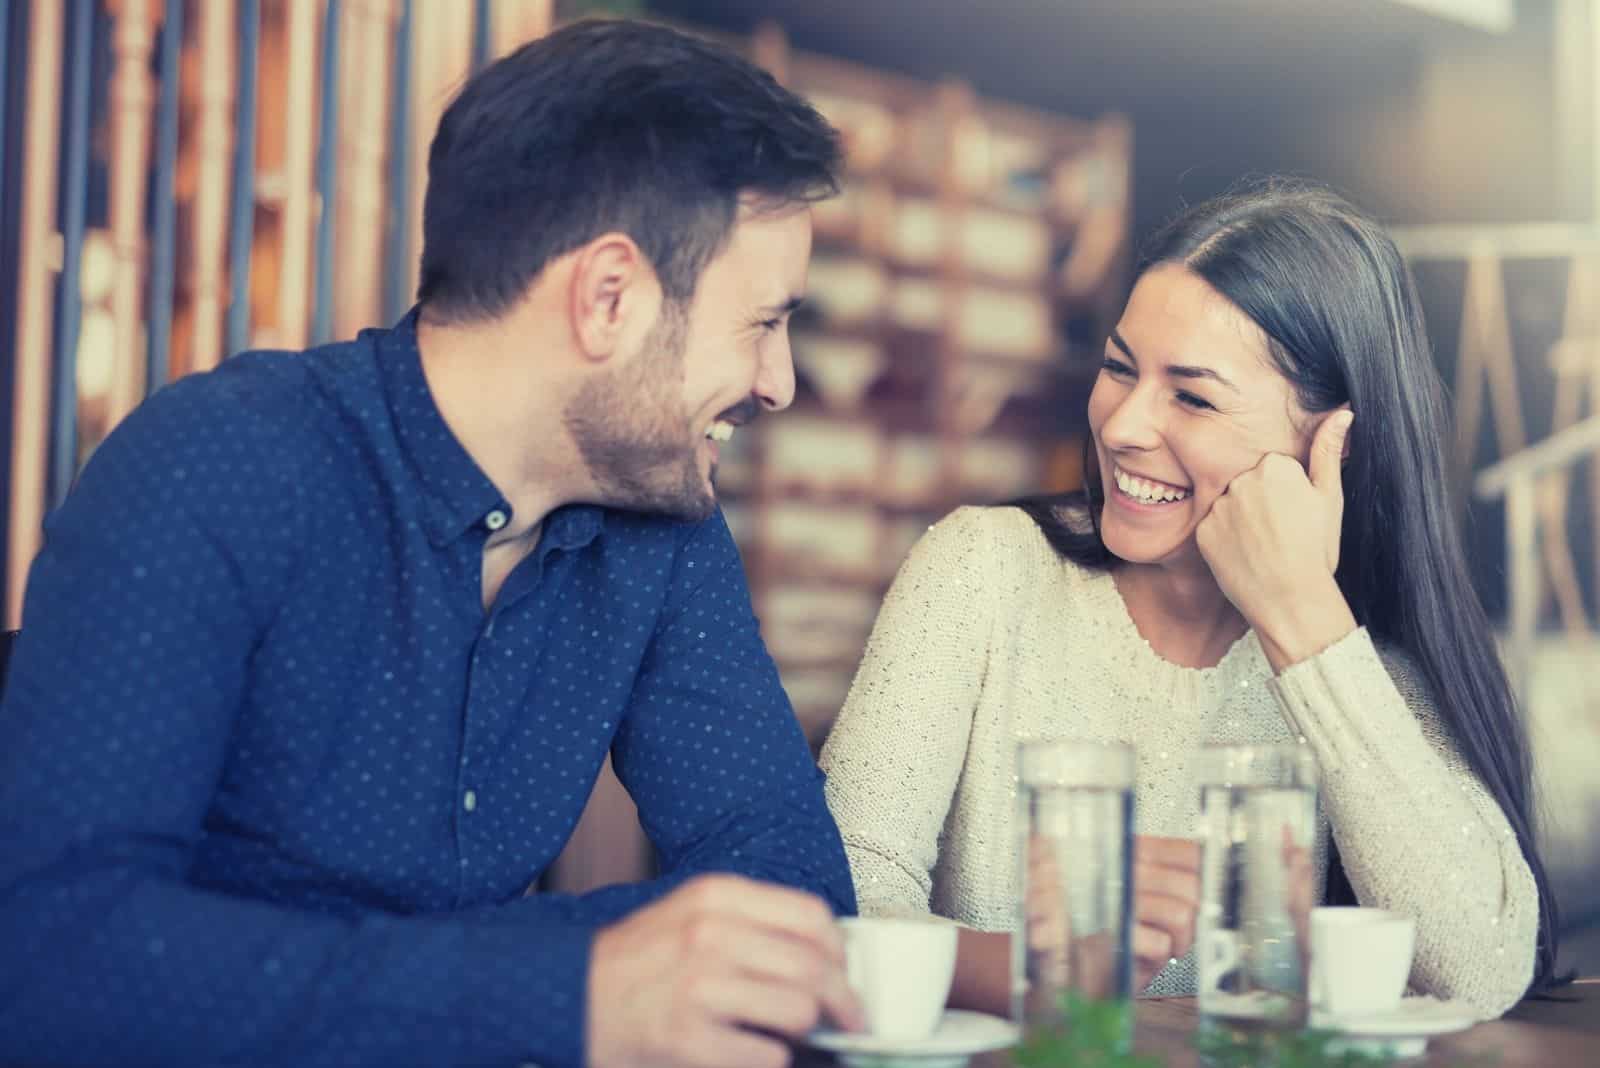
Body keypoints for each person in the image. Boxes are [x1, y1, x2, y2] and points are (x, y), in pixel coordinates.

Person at [0, 19, 866, 1068]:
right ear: (609, 298)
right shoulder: (214, 468)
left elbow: (790, 886)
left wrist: (527, 985)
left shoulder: (664, 530)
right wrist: (569, 988)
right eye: (763, 322)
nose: (776, 382)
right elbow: (50, 956)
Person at [819, 180, 1558, 1020]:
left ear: (1330, 446)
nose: (1125, 426)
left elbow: (1485, 968)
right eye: (1118, 368)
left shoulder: (1369, 658)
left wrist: (1303, 621)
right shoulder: (984, 570)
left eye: (1194, 396)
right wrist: (1049, 964)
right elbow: (839, 899)